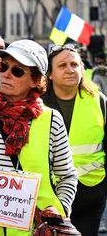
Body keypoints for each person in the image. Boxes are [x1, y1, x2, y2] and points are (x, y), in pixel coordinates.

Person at [0, 39, 78, 235]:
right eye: (3, 66)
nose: (6, 74)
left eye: (17, 71)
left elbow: (67, 176)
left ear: (36, 80)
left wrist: (58, 213)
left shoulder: (51, 120)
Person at [42, 43, 107, 236]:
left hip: (90, 196)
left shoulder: (98, 100)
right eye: (62, 65)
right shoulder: (37, 103)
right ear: (50, 74)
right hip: (48, 197)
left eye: (74, 64)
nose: (70, 69)